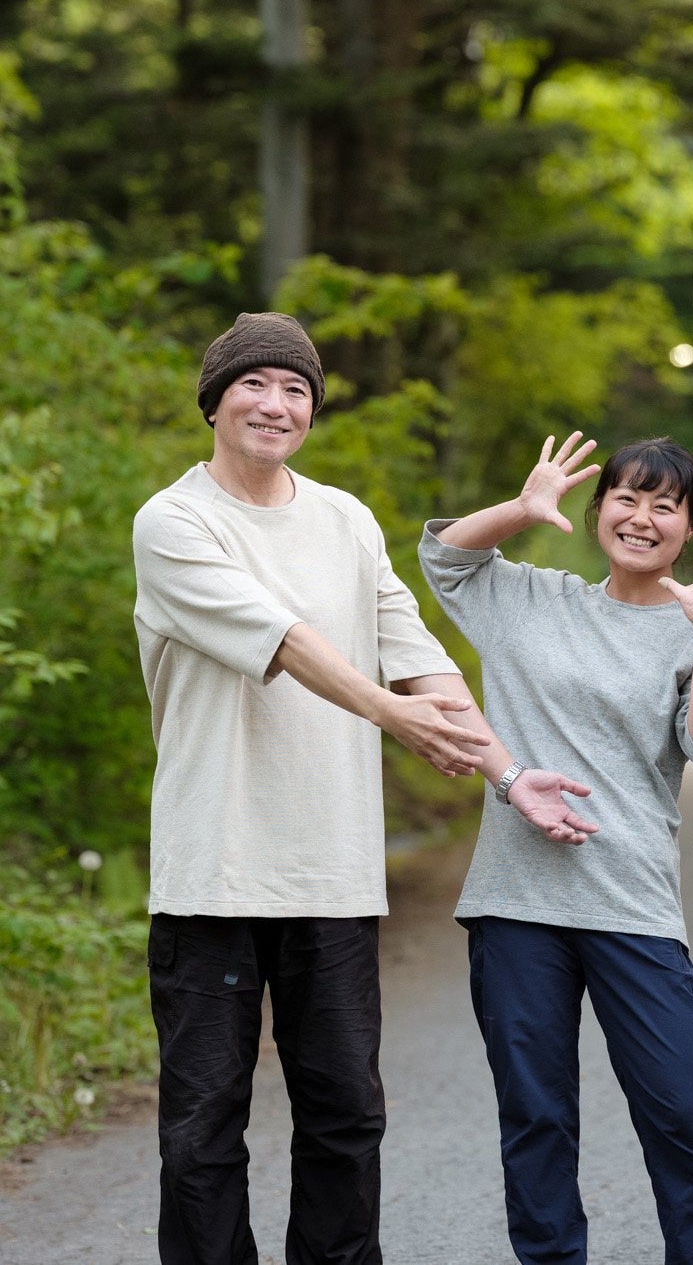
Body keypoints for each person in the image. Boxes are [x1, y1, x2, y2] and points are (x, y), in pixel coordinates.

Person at [133, 311, 499, 1264]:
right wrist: (393, 715)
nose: (276, 402)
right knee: (203, 1131)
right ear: (214, 400)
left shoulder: (346, 519)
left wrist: (504, 767)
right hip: (214, 870)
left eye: (296, 388)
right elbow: (284, 639)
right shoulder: (174, 522)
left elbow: (415, 650)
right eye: (254, 383)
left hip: (332, 874)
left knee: (345, 1116)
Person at [419, 432, 693, 1265]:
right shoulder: (533, 596)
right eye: (627, 497)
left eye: (664, 505)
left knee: (678, 1110)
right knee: (535, 1116)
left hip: (631, 901)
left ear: (689, 527)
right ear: (598, 506)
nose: (642, 518)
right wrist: (522, 509)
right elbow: (443, 559)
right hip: (515, 901)